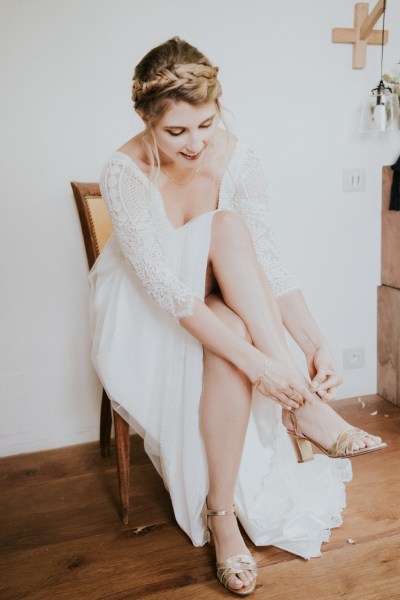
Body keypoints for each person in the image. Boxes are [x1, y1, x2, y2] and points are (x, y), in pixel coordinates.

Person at [89, 37, 385, 595]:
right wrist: (262, 366)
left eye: (205, 124)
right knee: (229, 287)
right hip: (145, 314)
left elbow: (264, 261)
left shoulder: (237, 154)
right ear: (144, 118)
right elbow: (166, 292)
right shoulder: (122, 171)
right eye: (176, 131)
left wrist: (315, 339)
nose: (196, 143)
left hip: (219, 297)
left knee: (230, 299)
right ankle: (309, 410)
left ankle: (220, 515)